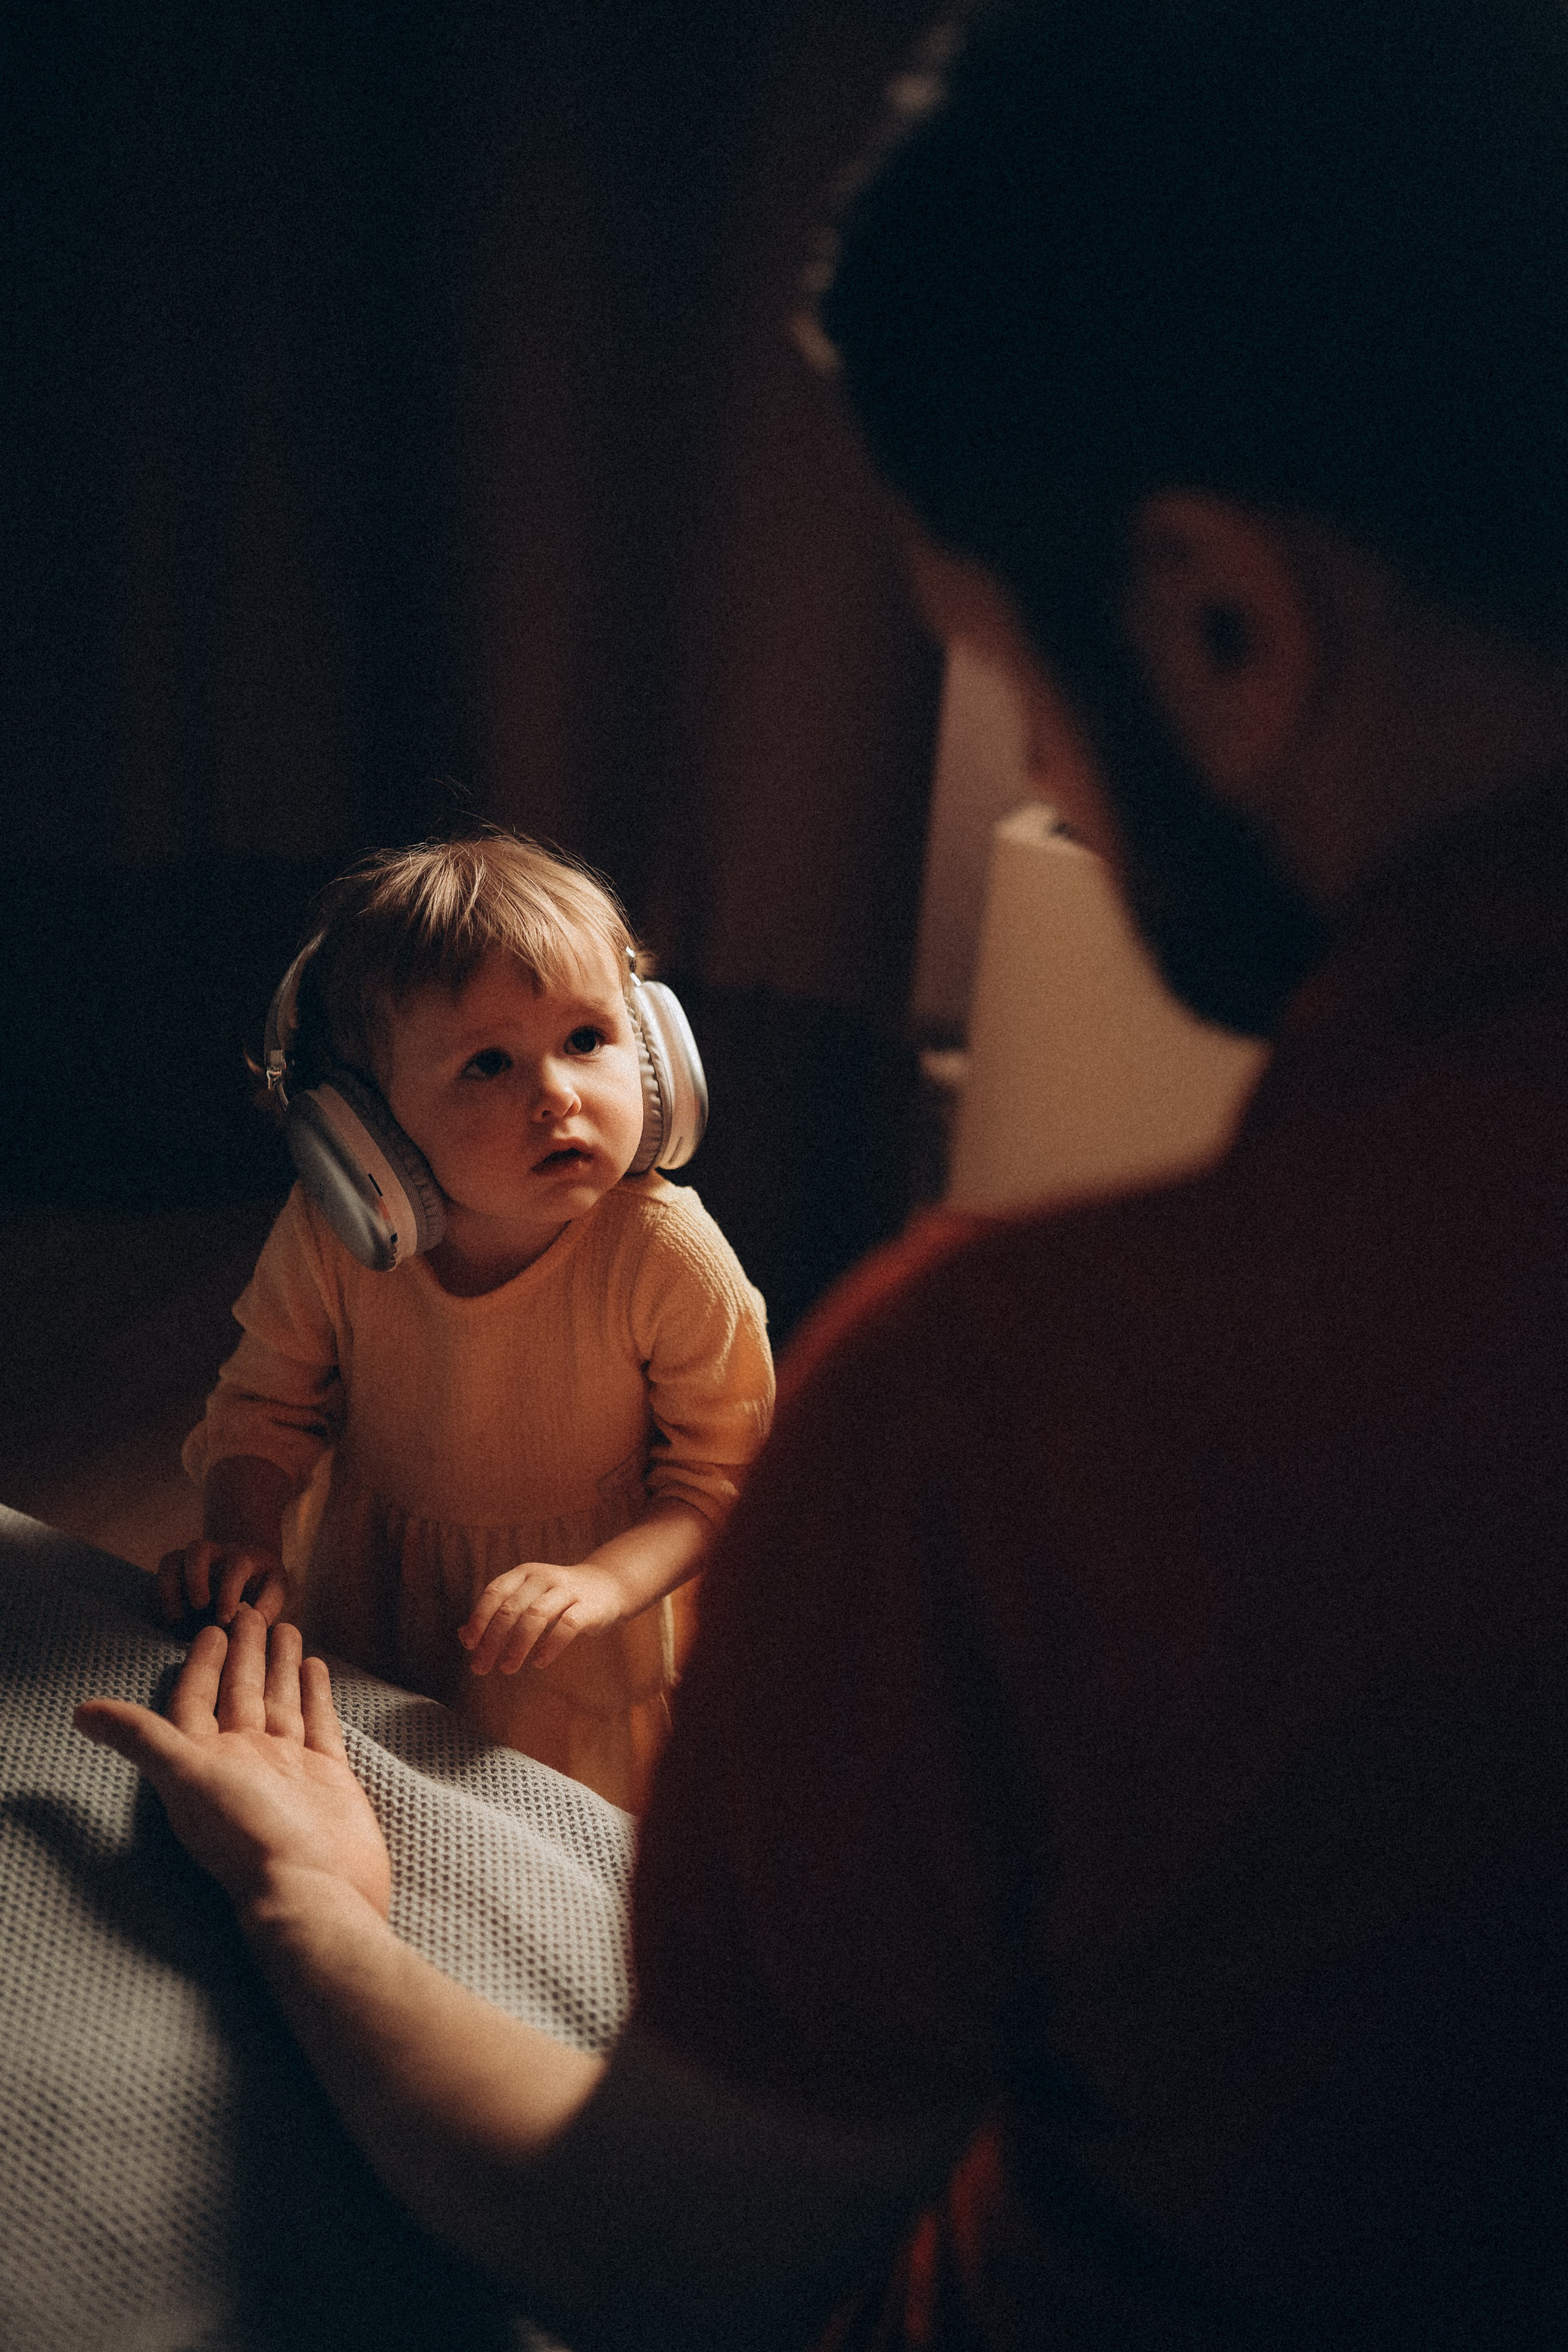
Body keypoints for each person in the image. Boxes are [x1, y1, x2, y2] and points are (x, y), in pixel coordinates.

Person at [77, 1, 1568, 2345]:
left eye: (1025, 682)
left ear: (1221, 620)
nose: (1060, 777)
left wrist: (314, 1905)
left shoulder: (1005, 1407)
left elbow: (671, 2252)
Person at [156, 833, 774, 1812]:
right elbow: (262, 1407)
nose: (558, 1094)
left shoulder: (666, 1254)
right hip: (376, 1596)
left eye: (588, 1040)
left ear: (652, 1052)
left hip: (578, 1654)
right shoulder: (331, 1237)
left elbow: (724, 1478)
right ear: (367, 1131)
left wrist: (603, 1587)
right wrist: (244, 1537)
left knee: (558, 1839)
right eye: (488, 1064)